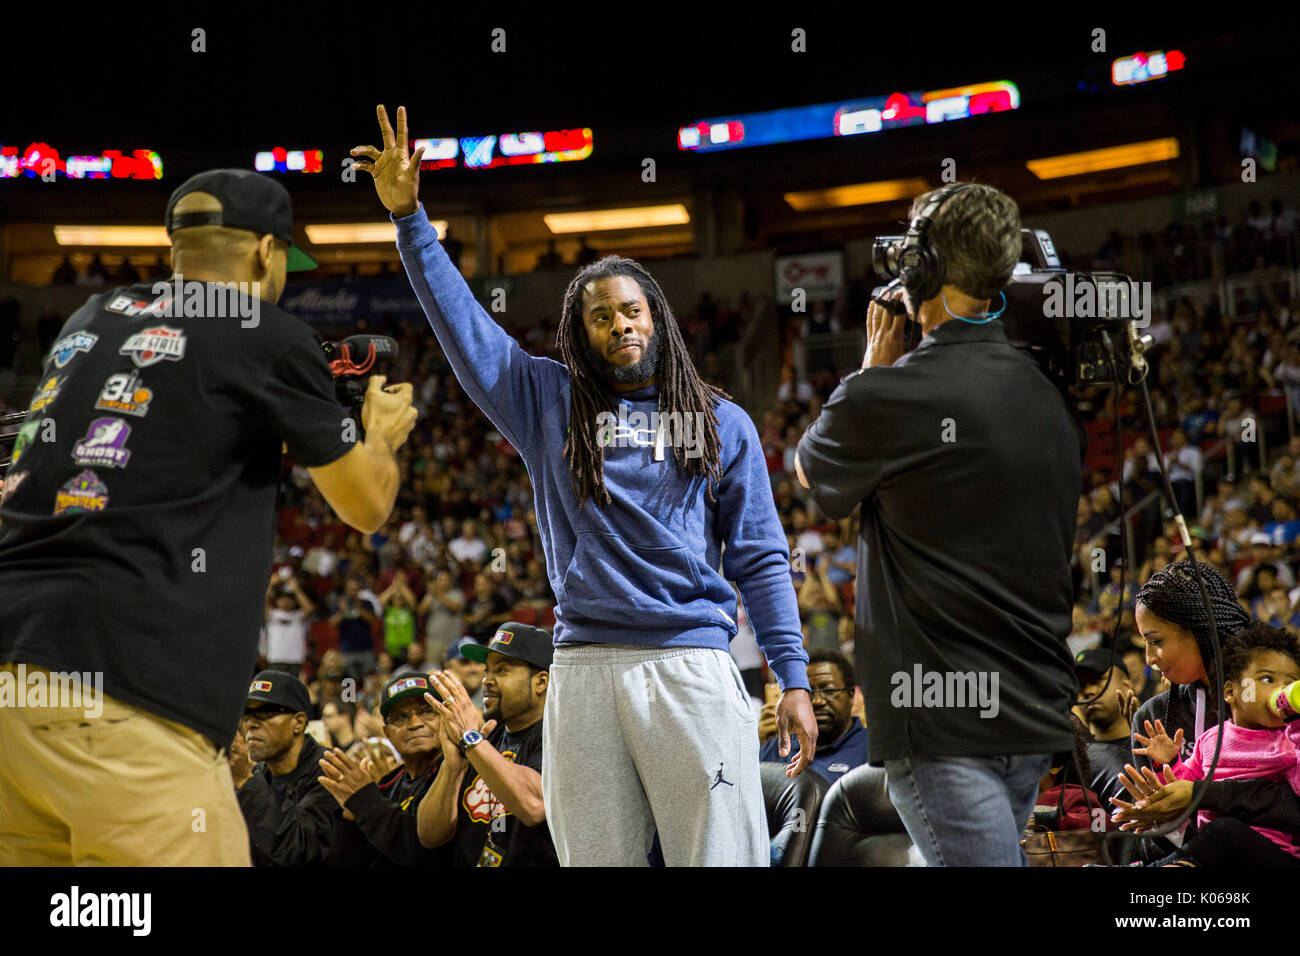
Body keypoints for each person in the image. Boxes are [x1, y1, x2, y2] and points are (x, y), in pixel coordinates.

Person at [352, 105, 814, 867]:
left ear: (657, 320)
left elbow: (761, 557)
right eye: (601, 318)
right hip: (585, 667)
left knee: (722, 858)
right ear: (581, 333)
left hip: (692, 666)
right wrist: (410, 220)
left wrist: (790, 674)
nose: (620, 326)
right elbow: (468, 334)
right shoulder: (547, 402)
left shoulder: (723, 422)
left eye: (632, 311)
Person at [0, 169, 416, 865]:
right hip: (129, 695)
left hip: (15, 685)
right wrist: (381, 434)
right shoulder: (266, 331)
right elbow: (365, 506)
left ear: (175, 251)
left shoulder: (90, 318)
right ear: (264, 254)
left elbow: (165, 433)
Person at [794, 182, 1083, 867]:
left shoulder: (891, 395)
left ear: (919, 272)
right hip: (1030, 711)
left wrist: (870, 370)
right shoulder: (1045, 390)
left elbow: (810, 472)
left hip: (941, 722)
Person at [1127, 621, 1300, 866]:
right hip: (1214, 853)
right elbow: (1185, 784)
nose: (1279, 690)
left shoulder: (1288, 742)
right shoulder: (1211, 739)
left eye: (1289, 683)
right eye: (1267, 679)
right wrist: (1168, 763)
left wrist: (1297, 727)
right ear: (1230, 691)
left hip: (1272, 855)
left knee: (1224, 830)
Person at [417, 623, 558, 866]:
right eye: (487, 671)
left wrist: (471, 738)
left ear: (541, 682)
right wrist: (452, 768)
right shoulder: (486, 738)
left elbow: (534, 806)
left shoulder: (559, 738)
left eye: (502, 671)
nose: (487, 681)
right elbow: (429, 836)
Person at [320, 673, 450, 866]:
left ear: (445, 718)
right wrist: (350, 819)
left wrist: (365, 801)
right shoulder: (388, 783)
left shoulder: (456, 773)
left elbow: (424, 853)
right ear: (387, 733)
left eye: (426, 711)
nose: (415, 724)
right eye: (401, 717)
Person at [230, 671, 338, 866]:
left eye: (265, 713)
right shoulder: (257, 774)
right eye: (247, 714)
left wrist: (246, 782)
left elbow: (300, 851)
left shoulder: (330, 772)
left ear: (298, 721)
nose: (251, 723)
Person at [758, 649, 867, 785]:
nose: (817, 701)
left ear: (851, 695)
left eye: (828, 690)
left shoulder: (870, 750)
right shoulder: (775, 750)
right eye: (807, 692)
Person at [1073, 649, 1136, 808]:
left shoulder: (1153, 742)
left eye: (1098, 680)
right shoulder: (1079, 755)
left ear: (1126, 683)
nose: (1088, 691)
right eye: (1081, 685)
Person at [263, 570, 315, 676]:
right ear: (277, 600)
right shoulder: (272, 614)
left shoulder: (298, 615)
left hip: (295, 659)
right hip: (276, 658)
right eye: (282, 598)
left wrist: (295, 588)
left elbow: (310, 608)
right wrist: (271, 584)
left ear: (294, 601)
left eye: (289, 598)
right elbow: (261, 604)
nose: (286, 601)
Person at [445, 636, 487, 712]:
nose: (473, 669)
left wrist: (456, 692)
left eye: (478, 662)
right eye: (465, 662)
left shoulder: (492, 691)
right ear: (448, 667)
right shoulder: (438, 690)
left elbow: (484, 722)